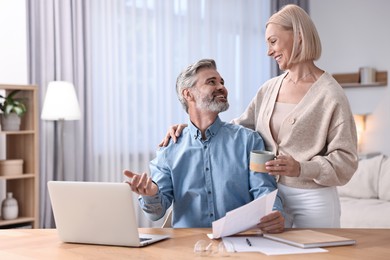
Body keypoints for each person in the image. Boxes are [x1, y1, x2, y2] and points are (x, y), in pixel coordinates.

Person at [159, 5, 358, 228]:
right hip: (270, 198)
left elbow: (346, 161)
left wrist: (301, 168)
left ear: (298, 35)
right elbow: (234, 130)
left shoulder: (331, 94)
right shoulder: (269, 88)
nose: (269, 51)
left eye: (273, 41)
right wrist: (190, 129)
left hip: (312, 201)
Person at [124, 59, 284, 233]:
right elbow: (156, 213)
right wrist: (150, 193)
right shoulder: (168, 149)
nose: (221, 87)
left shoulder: (250, 140)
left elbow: (264, 190)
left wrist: (274, 212)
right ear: (188, 94)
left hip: (238, 241)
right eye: (211, 82)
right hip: (187, 247)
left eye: (222, 82)